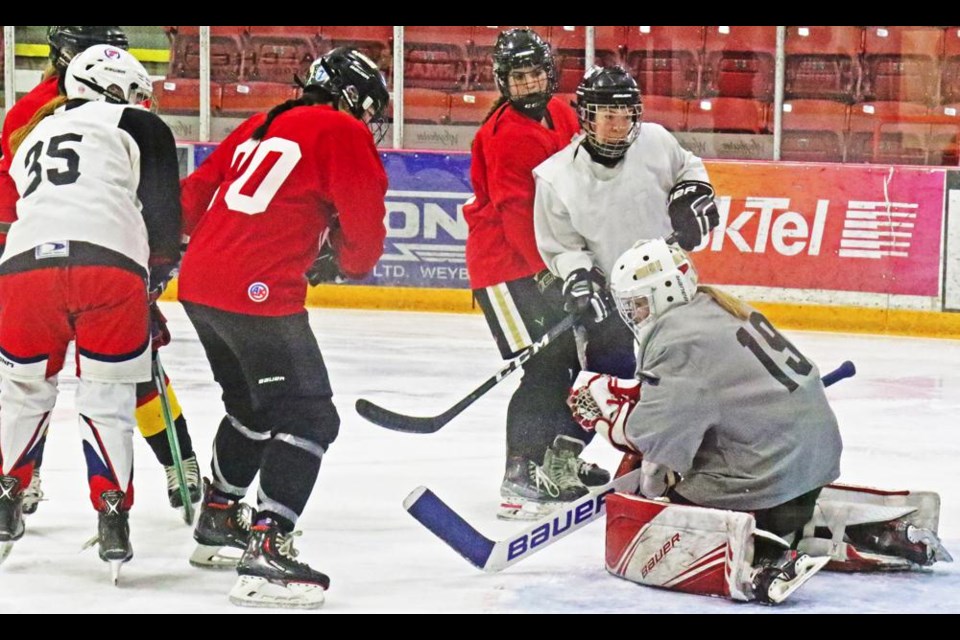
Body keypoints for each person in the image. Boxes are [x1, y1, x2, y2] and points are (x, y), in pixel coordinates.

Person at [568, 238, 952, 604]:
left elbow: (657, 442)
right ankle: (867, 529)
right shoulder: (714, 307)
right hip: (810, 467)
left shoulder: (677, 338)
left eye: (636, 304)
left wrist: (607, 418)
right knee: (705, 487)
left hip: (768, 479)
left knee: (659, 512)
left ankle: (764, 557)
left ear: (663, 292)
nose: (633, 315)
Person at [178, 47, 389, 609]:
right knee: (310, 414)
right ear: (352, 99)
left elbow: (194, 194)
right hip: (258, 290)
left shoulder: (261, 120)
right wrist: (340, 258)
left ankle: (219, 518)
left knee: (252, 407)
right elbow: (364, 245)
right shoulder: (343, 131)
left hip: (199, 284)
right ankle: (268, 549)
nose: (370, 121)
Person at [0, 26, 201, 517]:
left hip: (27, 255)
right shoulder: (44, 110)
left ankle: (17, 481)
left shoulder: (40, 112)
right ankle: (176, 464)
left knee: (26, 385)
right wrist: (154, 262)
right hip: (103, 251)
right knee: (122, 373)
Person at [463, 28, 608, 522]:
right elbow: (517, 214)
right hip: (504, 270)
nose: (527, 84)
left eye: (535, 74)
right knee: (546, 367)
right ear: (504, 82)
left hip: (546, 263)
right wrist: (557, 272)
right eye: (517, 77)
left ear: (551, 73)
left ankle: (552, 461)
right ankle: (519, 476)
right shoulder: (504, 136)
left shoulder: (564, 113)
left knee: (569, 363)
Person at [533, 64, 720, 383]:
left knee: (685, 381)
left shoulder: (656, 141)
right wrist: (581, 276)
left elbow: (689, 169)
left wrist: (691, 195)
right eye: (608, 116)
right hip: (613, 300)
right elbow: (562, 248)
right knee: (612, 386)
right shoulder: (555, 178)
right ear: (587, 118)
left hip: (670, 287)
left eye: (626, 115)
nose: (620, 126)